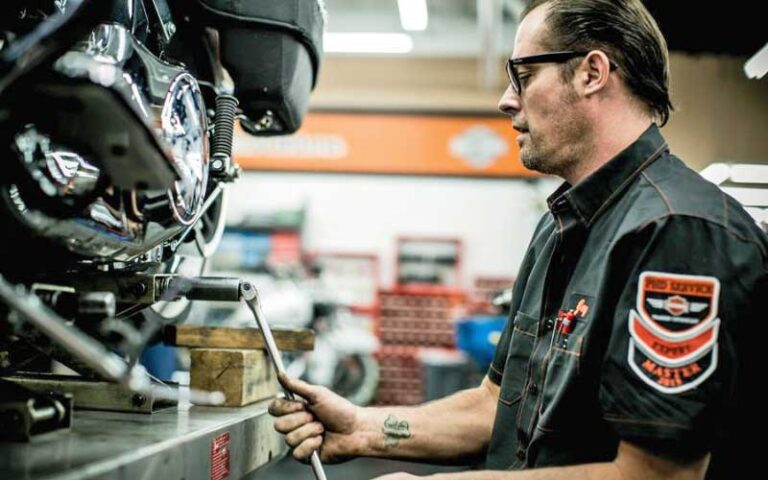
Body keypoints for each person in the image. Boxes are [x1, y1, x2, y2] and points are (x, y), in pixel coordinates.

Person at [268, 1, 766, 478]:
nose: (506, 99)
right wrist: (364, 427)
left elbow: (657, 476)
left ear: (592, 73)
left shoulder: (677, 230)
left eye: (523, 77)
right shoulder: (562, 225)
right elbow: (498, 403)